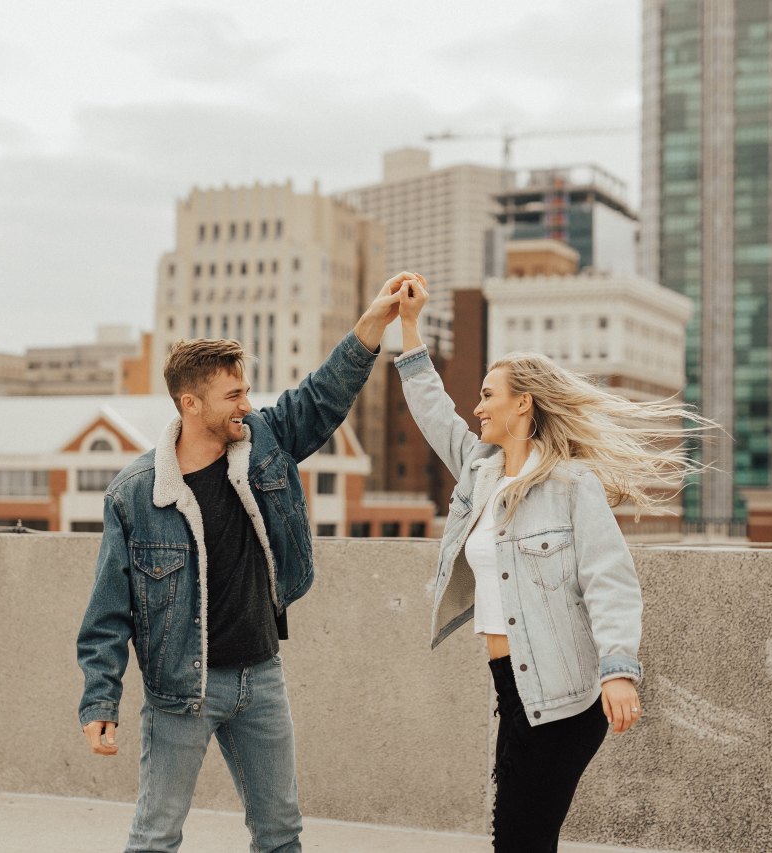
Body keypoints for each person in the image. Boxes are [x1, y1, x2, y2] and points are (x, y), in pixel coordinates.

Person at [76, 273, 413, 853]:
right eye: (233, 395)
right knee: (156, 837)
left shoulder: (263, 441)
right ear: (191, 403)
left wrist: (375, 321)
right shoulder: (136, 494)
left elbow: (324, 394)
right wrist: (100, 701)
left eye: (246, 392)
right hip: (183, 689)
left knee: (281, 834)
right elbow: (109, 611)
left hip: (261, 677)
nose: (247, 405)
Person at [394, 274, 709, 852]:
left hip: (565, 695)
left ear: (523, 404)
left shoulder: (570, 484)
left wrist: (618, 670)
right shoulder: (481, 471)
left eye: (489, 395)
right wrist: (409, 326)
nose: (478, 405)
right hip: (510, 690)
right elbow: (434, 412)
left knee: (519, 839)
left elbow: (610, 580)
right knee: (517, 839)